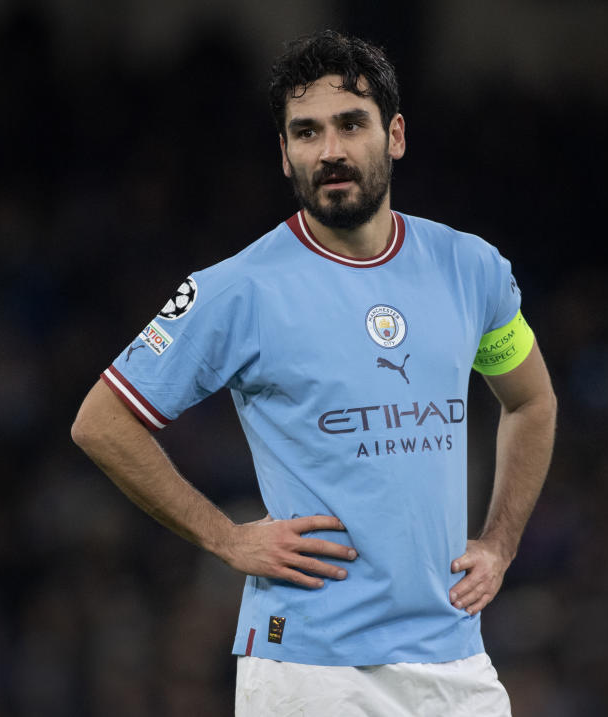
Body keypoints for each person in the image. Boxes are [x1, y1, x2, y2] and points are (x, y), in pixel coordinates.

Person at [72, 29, 557, 716]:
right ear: (284, 153)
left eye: (350, 124)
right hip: (309, 668)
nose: (329, 150)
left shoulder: (471, 269)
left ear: (394, 135)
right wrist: (225, 536)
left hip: (454, 660)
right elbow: (100, 420)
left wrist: (501, 543)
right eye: (306, 132)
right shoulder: (238, 289)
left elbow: (530, 401)